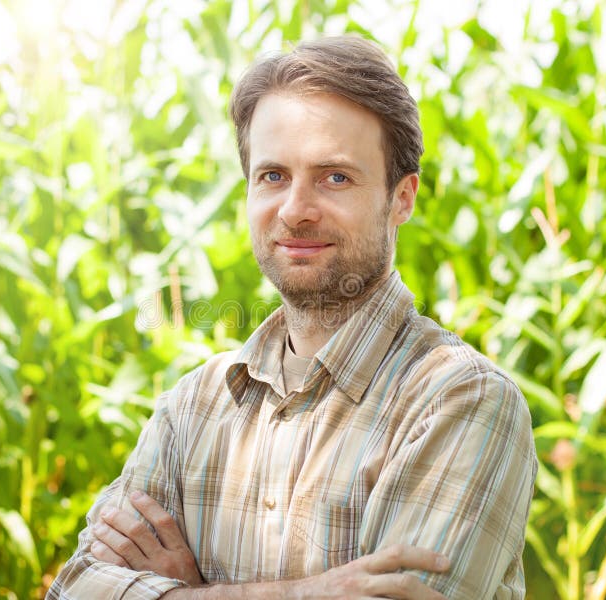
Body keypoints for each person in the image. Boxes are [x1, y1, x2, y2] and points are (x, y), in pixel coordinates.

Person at [47, 35, 537, 600]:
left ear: (402, 198)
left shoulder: (458, 401)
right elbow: (74, 588)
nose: (295, 210)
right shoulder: (193, 407)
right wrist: (305, 593)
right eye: (273, 176)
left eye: (335, 177)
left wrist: (181, 591)